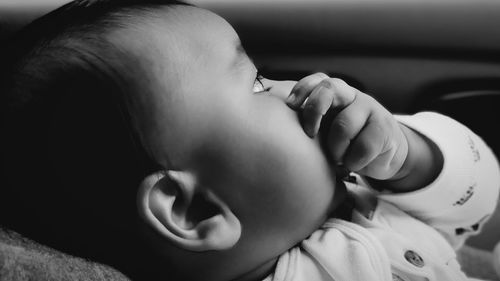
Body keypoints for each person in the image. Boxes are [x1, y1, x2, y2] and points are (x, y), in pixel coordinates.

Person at [1, 0, 499, 280]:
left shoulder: (355, 196)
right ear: (195, 211)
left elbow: (476, 195)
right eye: (258, 83)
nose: (296, 87)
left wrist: (408, 155)